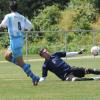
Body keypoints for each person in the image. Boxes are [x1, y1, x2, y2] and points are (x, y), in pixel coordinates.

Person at [0, 1, 39, 86]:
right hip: (19, 40)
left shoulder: (8, 16)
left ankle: (34, 77)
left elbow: (2, 26)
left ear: (9, 8)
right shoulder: (22, 17)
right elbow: (30, 26)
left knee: (21, 63)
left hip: (14, 41)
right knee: (6, 56)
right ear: (17, 8)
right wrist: (22, 30)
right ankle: (25, 66)